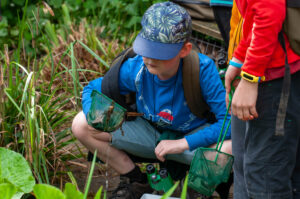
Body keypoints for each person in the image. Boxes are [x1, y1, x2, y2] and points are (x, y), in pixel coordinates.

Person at [72, 2, 231, 199]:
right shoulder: (137, 67)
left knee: (229, 148)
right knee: (81, 124)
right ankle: (136, 181)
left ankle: (190, 191)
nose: (149, 58)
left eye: (159, 52)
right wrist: (93, 113)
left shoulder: (202, 70)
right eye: (146, 48)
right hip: (151, 137)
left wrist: (184, 142)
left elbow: (229, 121)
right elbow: (92, 88)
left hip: (191, 141)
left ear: (184, 49)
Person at [225, 0, 300, 198]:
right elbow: (255, 16)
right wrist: (240, 59)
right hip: (274, 67)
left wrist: (250, 78)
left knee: (266, 175)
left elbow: (269, 14)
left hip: (277, 76)